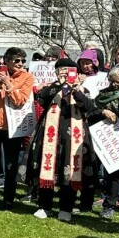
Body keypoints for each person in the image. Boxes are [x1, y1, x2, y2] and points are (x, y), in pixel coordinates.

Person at [30, 58, 94, 222]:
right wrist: (58, 85)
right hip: (50, 135)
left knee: (70, 168)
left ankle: (66, 207)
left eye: (69, 70)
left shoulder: (82, 89)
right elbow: (41, 100)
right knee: (48, 167)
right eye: (62, 69)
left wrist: (76, 90)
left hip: (73, 136)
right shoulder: (52, 88)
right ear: (56, 72)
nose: (65, 73)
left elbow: (88, 107)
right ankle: (45, 206)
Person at [0, 47, 35, 210]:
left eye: (22, 61)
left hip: (13, 127)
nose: (20, 64)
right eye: (16, 60)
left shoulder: (27, 77)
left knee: (11, 165)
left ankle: (8, 199)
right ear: (7, 61)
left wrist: (8, 84)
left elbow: (20, 100)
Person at [89, 67, 119, 220]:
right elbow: (91, 110)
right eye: (112, 81)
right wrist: (103, 112)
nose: (114, 85)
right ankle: (101, 202)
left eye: (118, 82)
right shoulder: (103, 94)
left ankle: (116, 202)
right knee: (103, 169)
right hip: (105, 136)